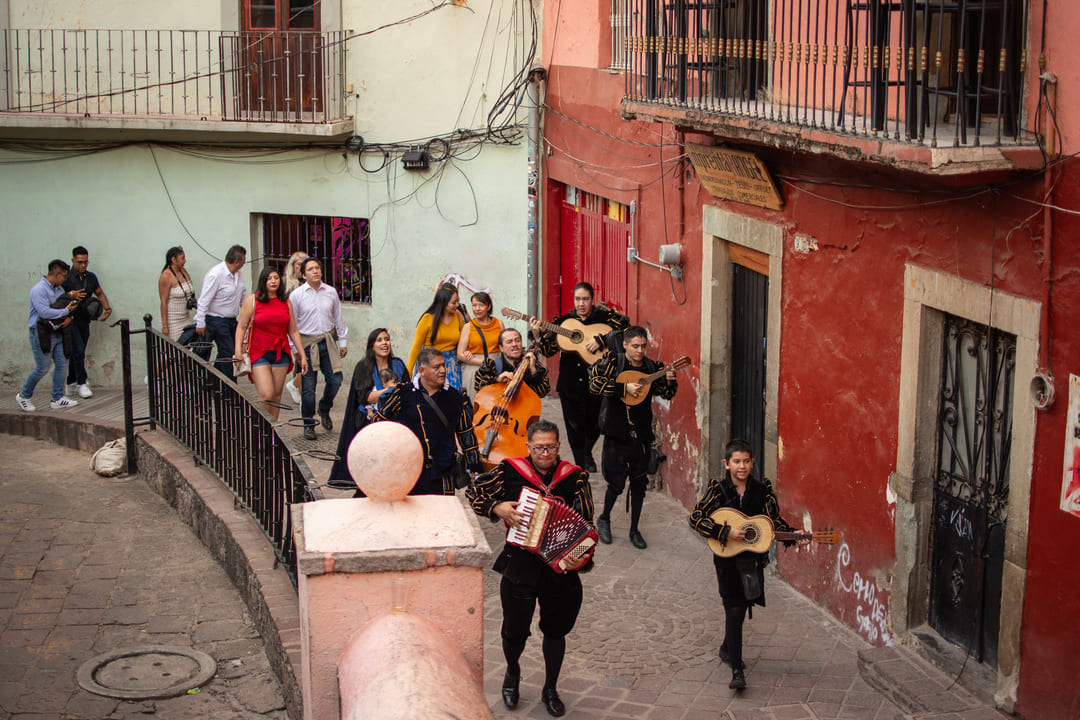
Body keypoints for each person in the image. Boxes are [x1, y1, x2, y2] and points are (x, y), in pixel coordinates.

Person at [467, 420, 594, 717]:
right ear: (529, 447)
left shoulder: (574, 478)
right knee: (514, 631)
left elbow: (586, 528)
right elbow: (474, 492)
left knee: (556, 631)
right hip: (520, 565)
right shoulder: (510, 470)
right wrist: (496, 508)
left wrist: (581, 557)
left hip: (559, 570)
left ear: (558, 446)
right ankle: (512, 670)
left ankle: (550, 687)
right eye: (539, 448)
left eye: (550, 447)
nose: (545, 453)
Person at [689, 438, 807, 690]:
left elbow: (773, 523)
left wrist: (795, 537)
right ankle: (736, 669)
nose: (741, 466)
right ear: (727, 464)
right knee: (734, 608)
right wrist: (723, 532)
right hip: (726, 561)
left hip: (751, 561)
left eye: (745, 461)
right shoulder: (718, 490)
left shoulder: (762, 491)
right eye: (736, 462)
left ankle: (726, 647)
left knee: (741, 608)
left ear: (752, 463)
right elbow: (696, 518)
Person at [588, 325, 677, 550]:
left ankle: (634, 529)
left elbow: (666, 394)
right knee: (616, 483)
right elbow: (594, 385)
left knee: (639, 483)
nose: (639, 350)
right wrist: (623, 387)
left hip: (641, 434)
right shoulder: (613, 362)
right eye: (635, 346)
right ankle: (604, 518)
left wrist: (669, 380)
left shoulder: (651, 367)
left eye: (643, 346)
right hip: (616, 432)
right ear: (625, 344)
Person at [531, 281, 628, 471]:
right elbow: (548, 350)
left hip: (598, 381)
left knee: (596, 425)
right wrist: (536, 335)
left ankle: (586, 452)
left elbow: (625, 331)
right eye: (577, 299)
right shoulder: (564, 323)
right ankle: (580, 465)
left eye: (585, 299)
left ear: (592, 299)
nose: (581, 303)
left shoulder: (605, 318)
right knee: (574, 427)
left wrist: (602, 339)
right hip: (570, 382)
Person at [371, 348, 481, 495]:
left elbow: (467, 437)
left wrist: (476, 471)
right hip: (408, 472)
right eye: (436, 367)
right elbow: (378, 427)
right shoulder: (401, 395)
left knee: (442, 516)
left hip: (443, 473)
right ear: (422, 370)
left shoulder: (457, 398)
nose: (443, 370)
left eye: (443, 365)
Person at [328, 327, 407, 488]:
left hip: (395, 422)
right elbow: (365, 397)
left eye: (386, 339)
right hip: (368, 422)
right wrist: (391, 390)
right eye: (379, 340)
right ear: (372, 345)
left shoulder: (398, 364)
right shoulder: (363, 367)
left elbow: (407, 389)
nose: (384, 343)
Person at [232, 267, 308, 420]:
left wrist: (302, 354)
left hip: (281, 353)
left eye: (276, 278)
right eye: (269, 278)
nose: (273, 281)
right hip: (258, 352)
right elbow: (241, 327)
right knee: (266, 394)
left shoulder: (286, 302)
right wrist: (238, 351)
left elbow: (293, 331)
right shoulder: (253, 300)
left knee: (276, 396)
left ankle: (273, 432)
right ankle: (262, 428)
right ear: (263, 281)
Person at [289, 257, 348, 440]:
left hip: (327, 342)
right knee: (308, 387)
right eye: (311, 269)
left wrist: (343, 341)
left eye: (317, 268)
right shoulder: (296, 296)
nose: (315, 271)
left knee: (336, 379)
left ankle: (324, 408)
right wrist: (296, 350)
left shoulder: (330, 292)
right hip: (306, 345)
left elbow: (338, 317)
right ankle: (308, 424)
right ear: (303, 274)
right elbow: (291, 326)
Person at [16, 259, 82, 412]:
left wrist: (68, 318)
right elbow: (45, 312)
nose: (65, 279)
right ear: (57, 274)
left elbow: (63, 304)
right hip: (41, 333)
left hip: (58, 331)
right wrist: (66, 312)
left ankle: (57, 398)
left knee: (62, 363)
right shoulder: (38, 290)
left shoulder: (58, 289)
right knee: (42, 368)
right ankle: (24, 396)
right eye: (64, 276)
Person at [62, 246, 112, 398]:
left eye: (85, 262)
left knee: (80, 350)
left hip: (85, 319)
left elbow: (99, 292)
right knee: (78, 351)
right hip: (70, 319)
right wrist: (70, 294)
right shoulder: (66, 277)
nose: (83, 265)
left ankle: (70, 382)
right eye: (80, 262)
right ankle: (82, 382)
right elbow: (54, 297)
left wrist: (107, 307)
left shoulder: (91, 277)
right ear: (73, 261)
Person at [194, 245, 248, 381]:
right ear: (236, 262)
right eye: (243, 261)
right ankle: (230, 392)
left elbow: (243, 295)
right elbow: (204, 299)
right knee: (230, 353)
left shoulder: (239, 275)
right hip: (216, 319)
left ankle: (212, 382)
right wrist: (200, 321)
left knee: (226, 353)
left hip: (231, 320)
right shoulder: (216, 274)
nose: (244, 263)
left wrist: (248, 313)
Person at [405, 282, 467, 390]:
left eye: (458, 301)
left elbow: (464, 339)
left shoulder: (458, 316)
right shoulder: (427, 319)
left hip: (452, 364)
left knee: (452, 396)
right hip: (430, 362)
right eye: (453, 302)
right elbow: (416, 347)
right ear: (443, 303)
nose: (457, 305)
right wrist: (408, 372)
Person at [473, 328, 550, 398]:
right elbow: (479, 389)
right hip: (500, 412)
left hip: (526, 412)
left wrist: (533, 370)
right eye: (509, 342)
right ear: (501, 348)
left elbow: (543, 392)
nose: (514, 344)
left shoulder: (532, 363)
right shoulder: (491, 365)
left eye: (517, 340)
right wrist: (497, 380)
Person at [456, 291, 503, 398]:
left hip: (496, 369)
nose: (477, 309)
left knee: (496, 404)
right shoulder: (468, 327)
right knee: (475, 404)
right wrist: (484, 362)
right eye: (474, 305)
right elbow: (460, 354)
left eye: (481, 305)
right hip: (474, 370)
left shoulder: (499, 324)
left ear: (489, 306)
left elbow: (503, 347)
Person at [282, 251, 309, 404]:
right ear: (293, 266)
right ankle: (294, 385)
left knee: (303, 360)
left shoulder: (308, 283)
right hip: (293, 328)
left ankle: (297, 386)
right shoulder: (287, 284)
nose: (302, 267)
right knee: (302, 359)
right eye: (299, 265)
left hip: (307, 327)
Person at [158, 246, 196, 341]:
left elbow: (191, 292)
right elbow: (163, 302)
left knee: (189, 347)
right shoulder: (166, 276)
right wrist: (165, 326)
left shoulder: (183, 271)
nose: (185, 261)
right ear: (173, 260)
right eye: (182, 258)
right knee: (176, 351)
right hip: (172, 321)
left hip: (185, 318)